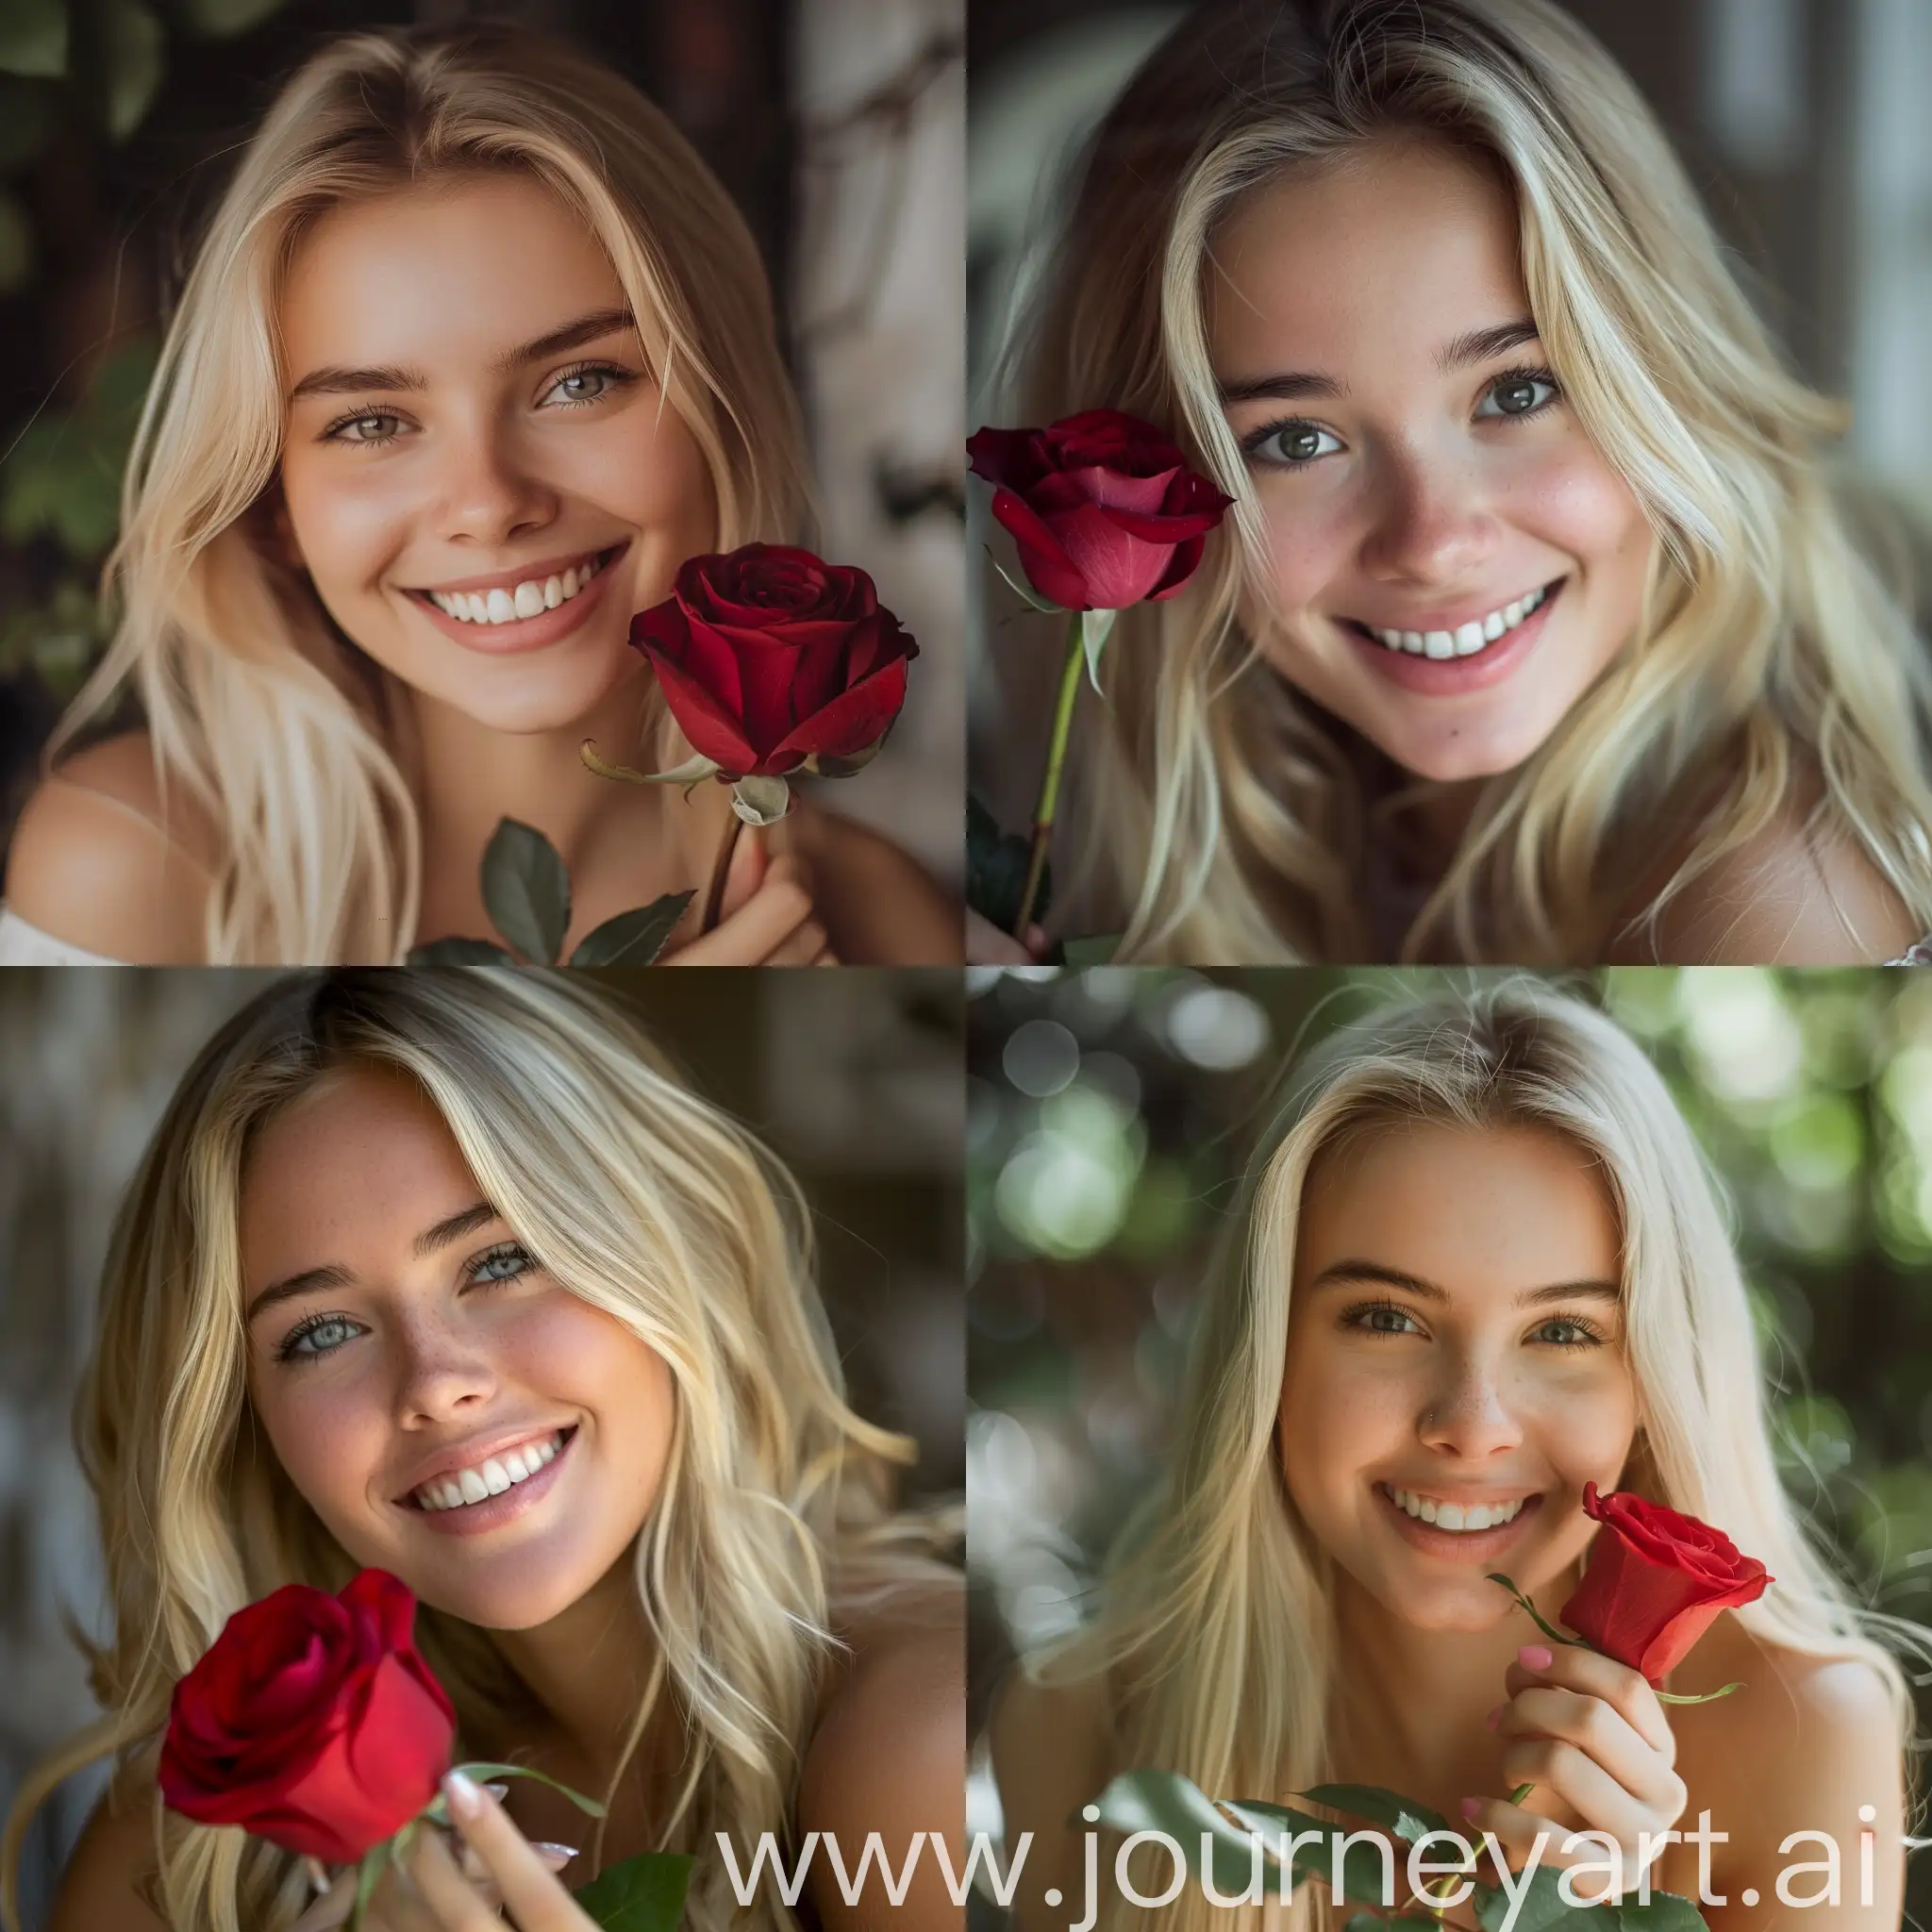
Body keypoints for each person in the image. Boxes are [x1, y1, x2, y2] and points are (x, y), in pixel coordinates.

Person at [0, 970, 963, 1932]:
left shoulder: (920, 1734)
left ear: (673, 1252)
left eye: (500, 1260)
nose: (432, 1381)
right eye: (321, 1332)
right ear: (242, 1420)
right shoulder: (201, 1850)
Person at [975, 0, 1932, 965]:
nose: (1430, 542)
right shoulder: (1206, 809)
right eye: (1296, 441)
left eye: (1516, 391)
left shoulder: (1769, 908)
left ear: (1661, 380)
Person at [0, 24, 960, 966]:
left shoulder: (888, 919)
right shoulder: (130, 864)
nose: (488, 502)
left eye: (579, 381)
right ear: (274, 508)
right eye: (371, 422)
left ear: (722, 402)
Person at [991, 980, 1920, 1931]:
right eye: (1385, 1317)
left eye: (1560, 1330)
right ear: (1265, 1351)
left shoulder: (1805, 1737)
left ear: (1651, 1383)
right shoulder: (1073, 1727)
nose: (1471, 1425)